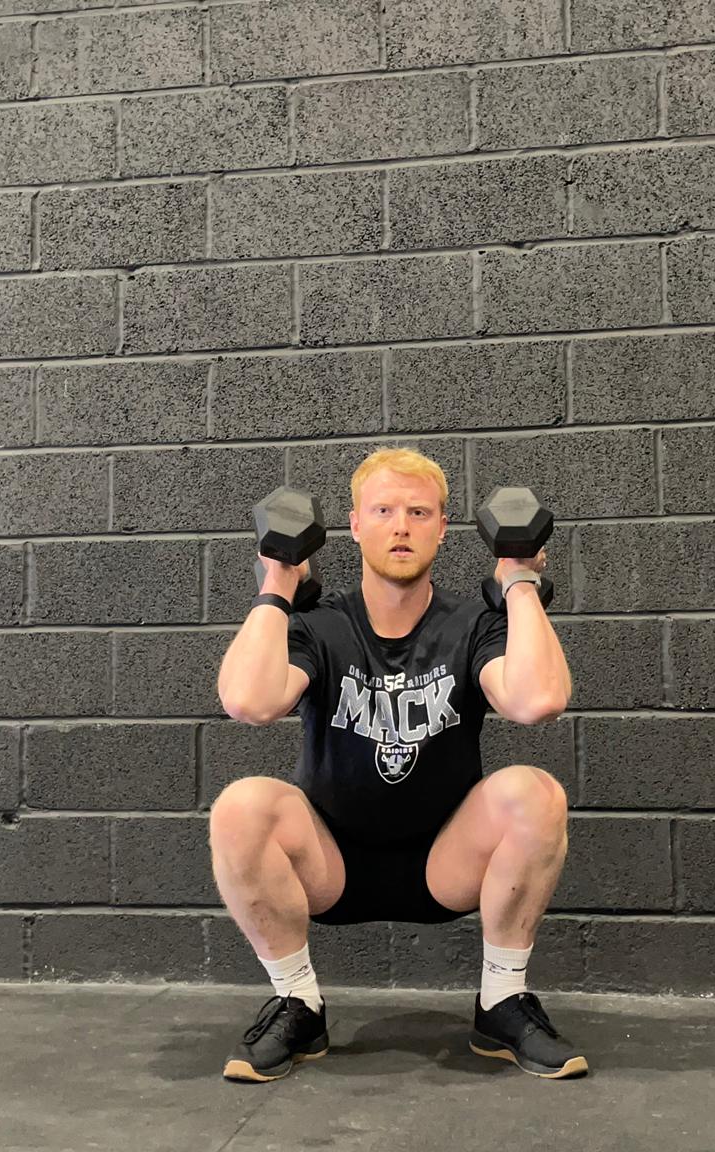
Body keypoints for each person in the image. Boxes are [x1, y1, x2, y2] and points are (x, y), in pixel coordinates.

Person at [210, 447, 584, 1082]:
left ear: (443, 526)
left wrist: (519, 582)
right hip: (330, 866)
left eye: (419, 512)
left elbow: (538, 701)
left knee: (536, 792)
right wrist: (277, 584)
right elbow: (248, 701)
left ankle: (501, 1002)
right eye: (383, 510)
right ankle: (298, 1003)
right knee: (241, 805)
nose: (402, 526)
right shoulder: (318, 625)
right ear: (354, 525)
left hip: (447, 862)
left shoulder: (473, 622)